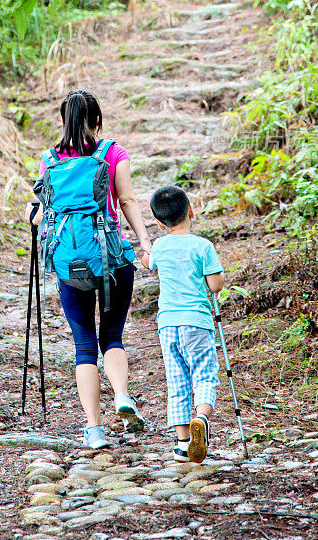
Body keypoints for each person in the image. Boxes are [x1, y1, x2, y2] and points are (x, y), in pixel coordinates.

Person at [26, 89, 151, 449]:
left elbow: (41, 211)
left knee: (84, 346)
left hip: (69, 263)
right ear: (97, 120)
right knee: (111, 335)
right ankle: (123, 395)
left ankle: (94, 429)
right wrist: (143, 241)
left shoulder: (50, 159)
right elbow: (126, 199)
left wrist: (34, 219)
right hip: (111, 257)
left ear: (63, 121)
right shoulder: (112, 152)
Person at [141, 185, 224, 463]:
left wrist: (141, 255)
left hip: (168, 325)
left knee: (176, 381)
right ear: (191, 210)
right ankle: (201, 418)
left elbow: (148, 263)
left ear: (158, 222)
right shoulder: (203, 246)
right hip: (197, 323)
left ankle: (182, 444)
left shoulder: (160, 246)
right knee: (203, 374)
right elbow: (215, 285)